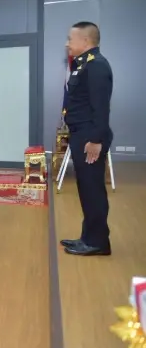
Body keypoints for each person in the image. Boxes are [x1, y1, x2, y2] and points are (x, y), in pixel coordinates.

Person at [60, 21, 113, 257]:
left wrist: (95, 140)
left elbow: (101, 108)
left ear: (85, 41)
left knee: (93, 191)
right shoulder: (84, 65)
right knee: (86, 189)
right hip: (81, 134)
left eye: (70, 39)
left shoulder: (97, 66)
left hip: (90, 137)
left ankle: (98, 242)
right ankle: (88, 237)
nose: (67, 44)